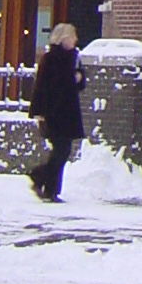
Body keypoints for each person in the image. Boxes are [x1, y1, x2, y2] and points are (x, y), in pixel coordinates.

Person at [27, 23, 85, 202]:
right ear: (63, 38)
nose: (75, 40)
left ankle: (50, 189)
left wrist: (80, 78)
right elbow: (42, 86)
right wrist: (39, 111)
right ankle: (40, 178)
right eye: (72, 36)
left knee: (63, 150)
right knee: (61, 149)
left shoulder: (74, 58)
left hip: (68, 112)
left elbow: (79, 83)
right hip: (54, 111)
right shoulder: (51, 58)